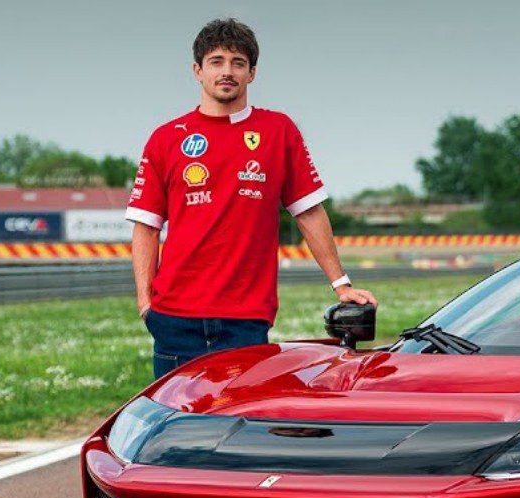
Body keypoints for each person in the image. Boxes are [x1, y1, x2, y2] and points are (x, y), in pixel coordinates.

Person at [126, 18, 375, 378]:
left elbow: (309, 212)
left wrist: (341, 285)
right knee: (176, 417)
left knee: (241, 414)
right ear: (198, 71)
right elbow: (146, 226)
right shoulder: (166, 138)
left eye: (238, 63)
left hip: (245, 320)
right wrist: (145, 304)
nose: (227, 71)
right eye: (216, 62)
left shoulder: (278, 131)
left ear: (252, 73)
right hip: (175, 319)